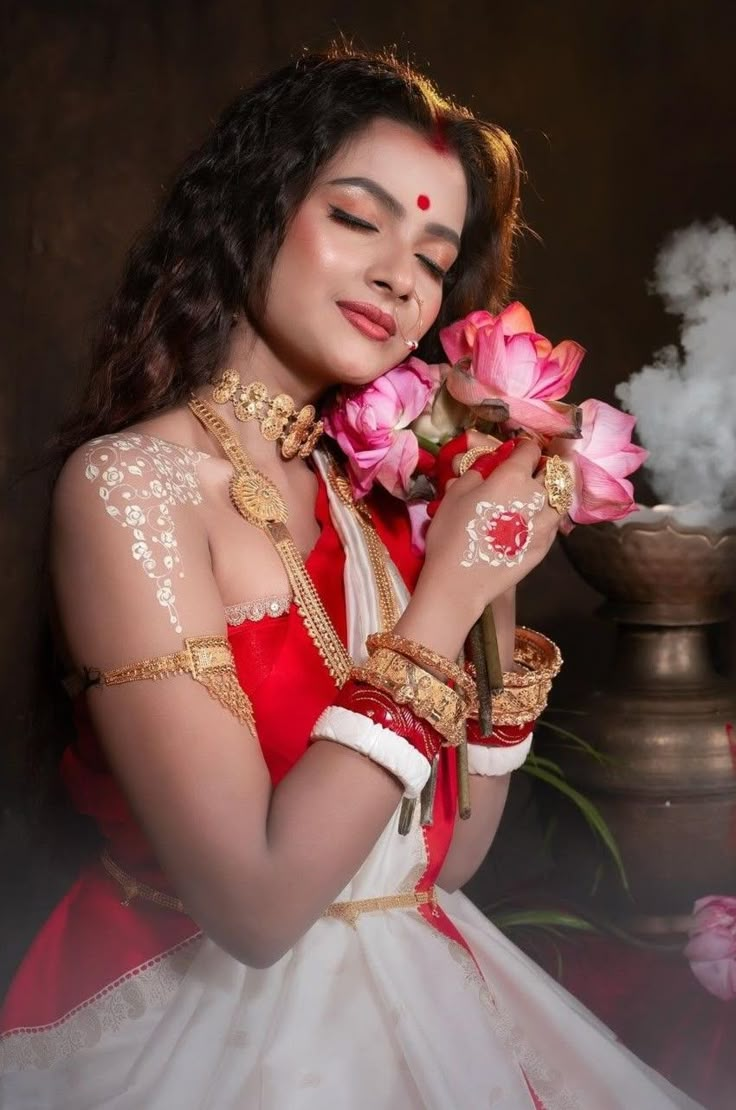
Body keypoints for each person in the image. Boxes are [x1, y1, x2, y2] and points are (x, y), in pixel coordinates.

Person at [0, 47, 699, 1109]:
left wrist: (489, 561)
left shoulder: (371, 495)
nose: (398, 276)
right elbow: (258, 909)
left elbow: (442, 864)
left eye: (433, 253)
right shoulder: (129, 488)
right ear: (256, 210)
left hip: (417, 982)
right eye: (358, 219)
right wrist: (451, 593)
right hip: (206, 1029)